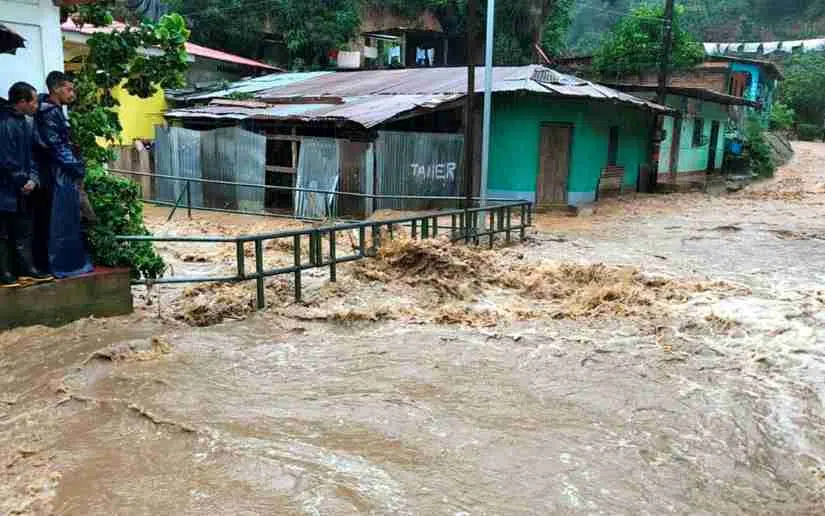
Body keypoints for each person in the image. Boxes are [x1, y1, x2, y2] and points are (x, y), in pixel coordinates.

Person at [34, 71, 93, 279]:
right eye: (69, 89)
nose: (72, 93)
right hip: (55, 173)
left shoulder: (52, 110)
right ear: (56, 89)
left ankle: (61, 262)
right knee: (60, 221)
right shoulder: (49, 113)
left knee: (63, 220)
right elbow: (56, 146)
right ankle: (61, 264)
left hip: (59, 171)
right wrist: (76, 166)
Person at [0, 82, 52, 287]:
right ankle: (5, 273)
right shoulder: (4, 123)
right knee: (3, 232)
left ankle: (26, 269)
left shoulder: (29, 123)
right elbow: (5, 158)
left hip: (24, 187)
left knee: (24, 229)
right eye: (34, 101)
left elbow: (33, 155)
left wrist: (33, 179)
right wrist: (22, 180)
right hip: (5, 186)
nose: (36, 106)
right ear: (22, 101)